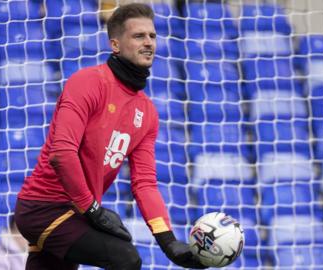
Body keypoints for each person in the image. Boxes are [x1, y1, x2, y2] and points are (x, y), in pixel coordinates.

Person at [15, 3, 206, 270]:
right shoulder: (87, 82)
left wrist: (168, 242)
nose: (149, 42)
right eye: (138, 36)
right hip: (45, 208)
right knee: (125, 259)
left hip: (77, 214)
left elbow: (145, 184)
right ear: (115, 45)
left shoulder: (147, 112)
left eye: (152, 36)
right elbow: (62, 153)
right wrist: (92, 209)